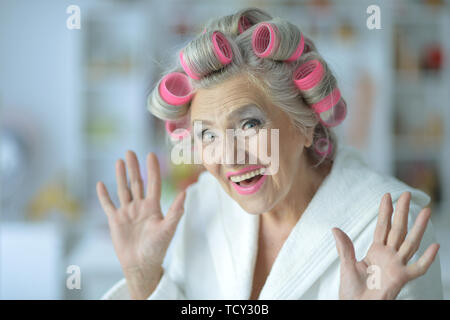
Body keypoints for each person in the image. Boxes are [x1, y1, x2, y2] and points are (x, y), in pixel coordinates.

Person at [97, 7, 443, 300]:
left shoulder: (392, 228)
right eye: (207, 134)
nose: (230, 157)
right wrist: (142, 276)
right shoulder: (203, 205)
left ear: (305, 123)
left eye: (249, 124)